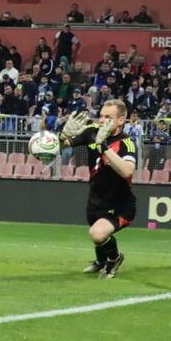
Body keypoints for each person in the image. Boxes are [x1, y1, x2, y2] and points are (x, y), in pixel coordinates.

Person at [59, 100, 137, 278]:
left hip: (120, 205)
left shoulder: (127, 143)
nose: (102, 120)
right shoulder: (91, 132)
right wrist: (63, 135)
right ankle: (101, 261)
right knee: (97, 236)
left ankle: (115, 259)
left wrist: (104, 146)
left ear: (121, 120)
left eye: (108, 117)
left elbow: (127, 171)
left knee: (97, 233)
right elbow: (62, 145)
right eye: (101, 116)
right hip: (96, 200)